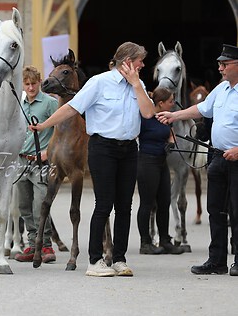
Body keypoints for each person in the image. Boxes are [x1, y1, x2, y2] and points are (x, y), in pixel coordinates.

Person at [30, 42, 155, 277]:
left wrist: (137, 85)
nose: (143, 65)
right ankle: (95, 261)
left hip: (129, 150)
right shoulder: (99, 83)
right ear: (128, 61)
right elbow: (72, 108)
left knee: (125, 207)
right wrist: (44, 125)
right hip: (103, 148)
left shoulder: (138, 85)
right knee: (104, 205)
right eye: (140, 61)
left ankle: (119, 258)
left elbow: (148, 113)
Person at [157, 43, 238, 276]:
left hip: (237, 158)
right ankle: (217, 260)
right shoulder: (221, 90)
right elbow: (201, 109)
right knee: (215, 211)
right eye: (219, 64)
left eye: (225, 64)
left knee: (237, 212)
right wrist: (174, 115)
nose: (220, 68)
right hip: (218, 157)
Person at [14, 65, 58, 263]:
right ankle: (32, 244)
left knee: (40, 204)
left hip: (42, 162)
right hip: (21, 161)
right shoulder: (20, 103)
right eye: (27, 84)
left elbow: (61, 129)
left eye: (34, 83)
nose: (31, 88)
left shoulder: (50, 103)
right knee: (23, 205)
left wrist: (49, 152)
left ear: (40, 82)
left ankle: (46, 245)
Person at [136, 87, 184, 255]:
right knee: (147, 203)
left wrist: (171, 141)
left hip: (161, 162)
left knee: (164, 201)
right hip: (147, 162)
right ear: (160, 103)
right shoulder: (146, 117)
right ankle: (145, 242)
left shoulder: (166, 117)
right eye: (170, 101)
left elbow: (170, 134)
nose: (173, 104)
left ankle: (165, 239)